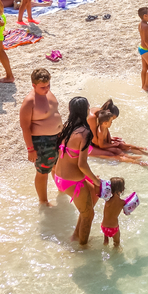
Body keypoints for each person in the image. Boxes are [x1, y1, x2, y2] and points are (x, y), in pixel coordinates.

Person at [54, 97, 102, 245]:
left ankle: (76, 235)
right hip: (72, 181)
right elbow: (82, 165)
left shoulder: (67, 127)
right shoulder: (85, 132)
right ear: (86, 110)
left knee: (94, 195)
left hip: (59, 177)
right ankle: (83, 248)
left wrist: (93, 181)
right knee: (89, 214)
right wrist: (95, 180)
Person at [19, 67, 63, 206]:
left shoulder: (49, 93)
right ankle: (43, 201)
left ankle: (61, 192)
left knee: (57, 167)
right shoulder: (29, 101)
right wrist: (30, 149)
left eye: (49, 85)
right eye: (43, 87)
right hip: (42, 141)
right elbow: (25, 127)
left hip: (57, 137)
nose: (47, 88)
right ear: (34, 85)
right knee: (43, 171)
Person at [100, 177, 129, 247]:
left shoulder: (107, 200)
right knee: (117, 243)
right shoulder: (122, 203)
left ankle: (105, 243)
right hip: (114, 228)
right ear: (123, 190)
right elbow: (127, 211)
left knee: (105, 242)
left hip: (104, 226)